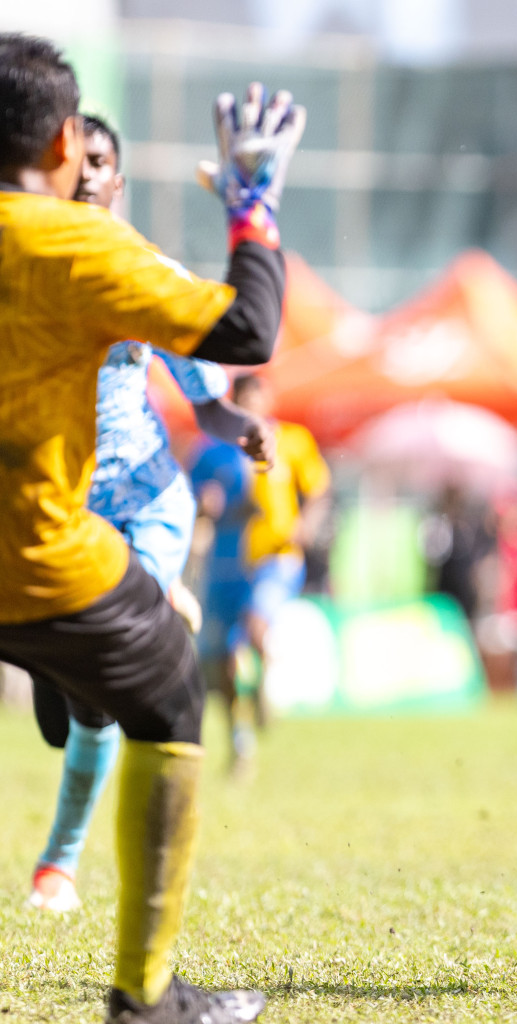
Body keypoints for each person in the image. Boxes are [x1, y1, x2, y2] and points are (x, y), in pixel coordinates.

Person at [0, 33, 302, 1023]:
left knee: (109, 675)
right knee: (170, 687)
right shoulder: (83, 247)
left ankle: (65, 720)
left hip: (121, 507)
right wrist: (252, 204)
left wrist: (225, 419)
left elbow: (206, 387)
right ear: (57, 142)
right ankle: (148, 998)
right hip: (41, 548)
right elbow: (246, 331)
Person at [24, 115, 275, 916]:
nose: (91, 175)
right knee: (71, 721)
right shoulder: (27, 266)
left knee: (108, 705)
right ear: (53, 170)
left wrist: (245, 430)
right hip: (60, 519)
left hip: (150, 505)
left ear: (118, 181)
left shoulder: (137, 270)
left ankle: (56, 870)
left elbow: (209, 397)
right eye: (80, 162)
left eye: (106, 163)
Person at [193, 373, 330, 776]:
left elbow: (320, 488)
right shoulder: (210, 451)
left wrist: (307, 522)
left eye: (258, 398)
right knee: (225, 663)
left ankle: (269, 683)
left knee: (256, 627)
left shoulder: (292, 440)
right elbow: (192, 496)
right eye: (244, 400)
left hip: (276, 554)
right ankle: (241, 741)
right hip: (226, 562)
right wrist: (207, 505)